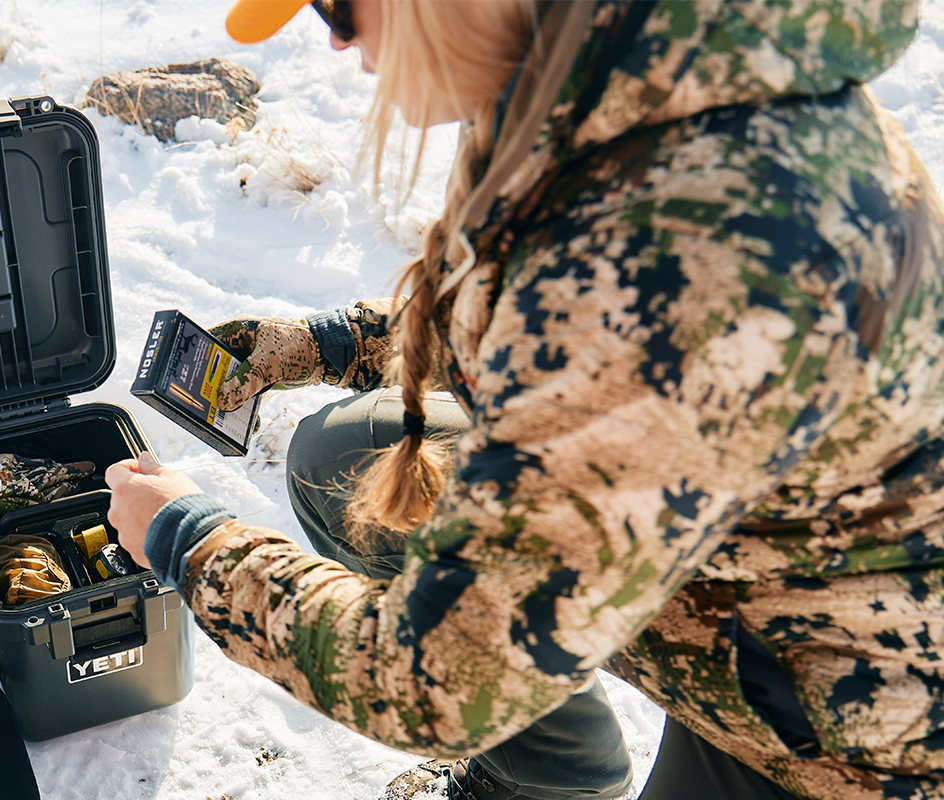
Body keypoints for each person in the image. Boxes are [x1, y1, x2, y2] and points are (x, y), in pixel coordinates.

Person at [105, 0, 944, 798]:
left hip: (846, 723)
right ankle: (552, 775)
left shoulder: (683, 242)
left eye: (339, 8)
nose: (335, 43)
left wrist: (190, 540)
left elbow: (435, 678)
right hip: (727, 579)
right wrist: (333, 345)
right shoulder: (618, 83)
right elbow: (539, 320)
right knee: (346, 459)